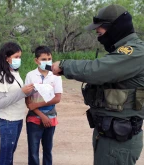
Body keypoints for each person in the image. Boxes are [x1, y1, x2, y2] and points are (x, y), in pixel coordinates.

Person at [52, 4, 143, 165]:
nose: (97, 32)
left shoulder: (135, 52)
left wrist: (64, 65)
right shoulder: (121, 51)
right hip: (109, 134)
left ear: (115, 27)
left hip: (118, 140)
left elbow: (98, 70)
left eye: (100, 28)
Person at [0, 42, 34, 165]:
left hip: (18, 119)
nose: (18, 60)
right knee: (6, 156)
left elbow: (18, 94)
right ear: (6, 58)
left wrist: (31, 90)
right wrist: (21, 92)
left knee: (10, 153)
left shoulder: (15, 73)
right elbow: (0, 103)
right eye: (16, 57)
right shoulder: (1, 76)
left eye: (20, 57)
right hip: (8, 121)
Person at [25, 46, 63, 165]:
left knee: (48, 149)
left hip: (50, 117)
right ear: (36, 60)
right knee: (33, 150)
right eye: (44, 59)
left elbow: (57, 98)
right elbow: (28, 101)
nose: (47, 61)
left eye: (49, 58)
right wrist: (41, 115)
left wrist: (38, 105)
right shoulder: (30, 75)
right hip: (34, 118)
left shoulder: (55, 76)